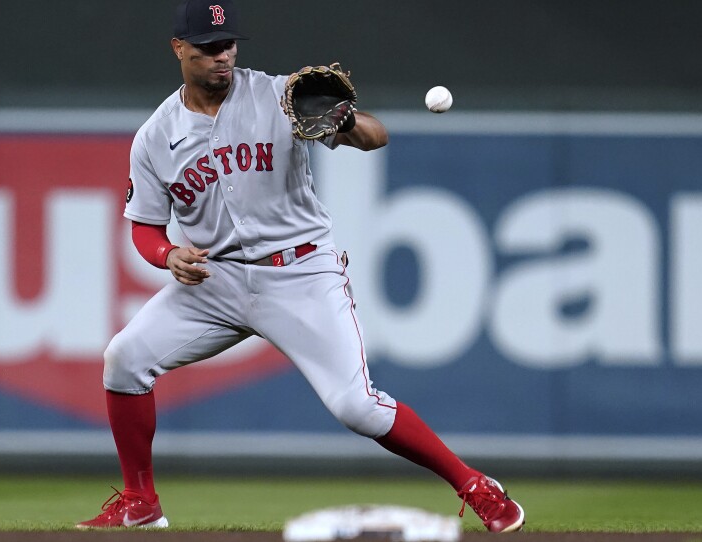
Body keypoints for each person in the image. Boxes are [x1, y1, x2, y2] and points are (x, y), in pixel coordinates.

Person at [76, 0, 525, 533]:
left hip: (300, 274)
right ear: (179, 49)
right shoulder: (155, 136)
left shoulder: (279, 95)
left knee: (357, 407)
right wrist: (168, 255)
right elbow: (145, 227)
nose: (223, 56)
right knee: (124, 361)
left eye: (229, 44)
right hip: (217, 280)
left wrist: (346, 121)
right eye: (208, 48)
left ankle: (474, 484)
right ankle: (140, 501)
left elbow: (376, 136)